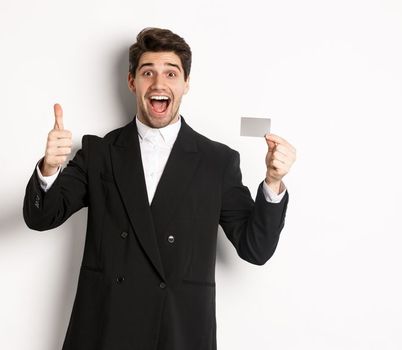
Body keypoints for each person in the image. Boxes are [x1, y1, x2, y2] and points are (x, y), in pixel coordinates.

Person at [23, 27, 296, 350]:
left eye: (171, 72)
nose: (158, 83)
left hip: (179, 332)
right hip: (106, 328)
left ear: (185, 84)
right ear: (132, 82)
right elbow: (42, 218)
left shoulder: (216, 161)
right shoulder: (99, 152)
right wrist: (49, 169)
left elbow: (256, 249)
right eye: (147, 72)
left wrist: (273, 183)